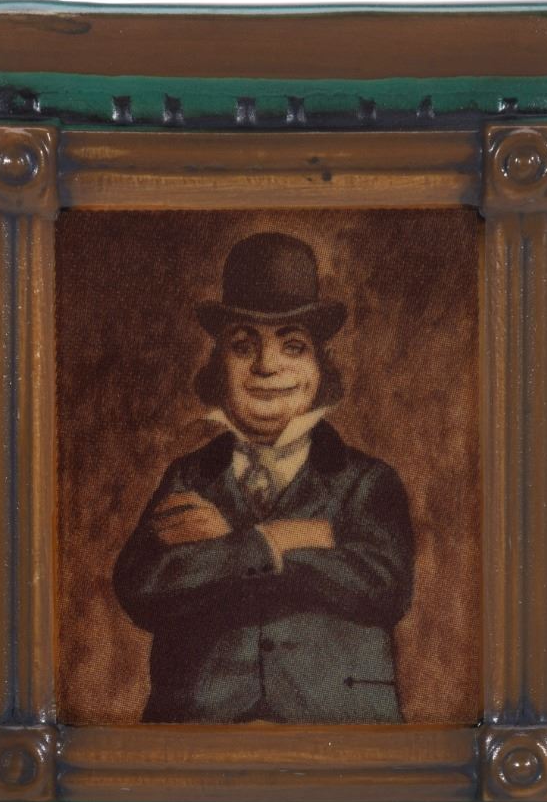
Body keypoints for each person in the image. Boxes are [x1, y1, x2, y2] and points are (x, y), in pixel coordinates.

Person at [113, 232, 414, 723]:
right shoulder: (190, 476)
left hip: (339, 721)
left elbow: (382, 586)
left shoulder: (367, 480)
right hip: (200, 727)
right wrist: (275, 541)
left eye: (292, 346)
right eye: (242, 346)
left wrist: (222, 549)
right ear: (218, 368)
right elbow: (142, 586)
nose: (267, 366)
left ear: (320, 367)